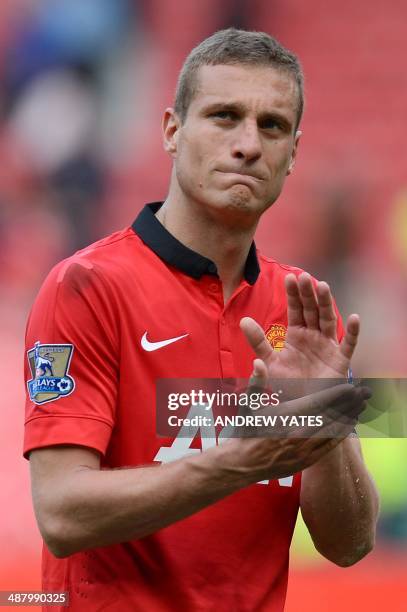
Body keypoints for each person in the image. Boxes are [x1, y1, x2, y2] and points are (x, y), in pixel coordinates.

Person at [24, 28, 379, 612]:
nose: (248, 145)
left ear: (293, 153)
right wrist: (241, 461)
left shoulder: (306, 309)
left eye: (272, 126)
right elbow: (60, 513)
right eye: (223, 116)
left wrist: (325, 417)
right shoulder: (85, 286)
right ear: (171, 130)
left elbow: (349, 545)